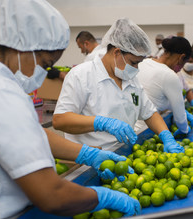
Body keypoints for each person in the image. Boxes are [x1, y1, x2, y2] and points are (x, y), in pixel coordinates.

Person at [0, 1, 140, 219]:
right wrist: (103, 197)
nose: (43, 73)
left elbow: (28, 134)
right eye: (45, 63)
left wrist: (88, 154)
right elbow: (52, 195)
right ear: (22, 47)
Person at [52, 18, 184, 154]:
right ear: (116, 52)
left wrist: (167, 136)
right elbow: (60, 120)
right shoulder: (81, 75)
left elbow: (149, 113)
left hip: (125, 154)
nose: (136, 68)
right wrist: (101, 123)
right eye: (133, 63)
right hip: (92, 159)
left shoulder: (130, 79)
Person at [136, 36, 193, 136]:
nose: (180, 69)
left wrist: (174, 108)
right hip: (148, 129)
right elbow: (180, 119)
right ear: (181, 57)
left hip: (130, 126)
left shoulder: (143, 63)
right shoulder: (170, 75)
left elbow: (153, 97)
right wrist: (184, 129)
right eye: (183, 64)